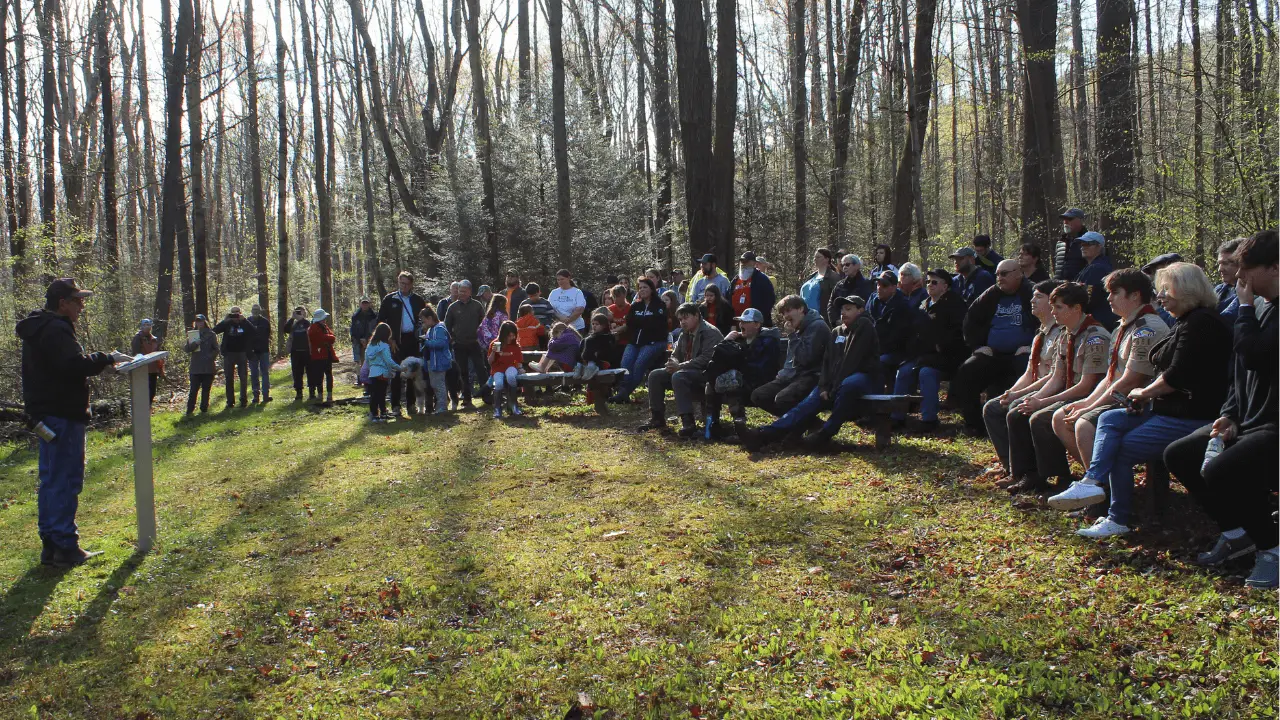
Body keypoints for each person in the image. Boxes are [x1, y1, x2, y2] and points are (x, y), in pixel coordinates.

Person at [1049, 263, 1232, 536]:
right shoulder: (1185, 321)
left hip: (1192, 414)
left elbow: (1175, 376)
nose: (1160, 296)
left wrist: (1143, 393)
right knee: (1110, 418)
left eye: (1166, 290)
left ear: (1185, 290)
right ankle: (1093, 483)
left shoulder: (1201, 322)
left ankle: (1117, 516)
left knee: (1121, 448)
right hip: (1168, 408)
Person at [1165, 230, 1278, 588]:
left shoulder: (1256, 310)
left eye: (1247, 270)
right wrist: (1228, 413)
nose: (1240, 279)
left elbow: (1255, 354)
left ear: (1274, 267)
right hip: (1247, 418)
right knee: (1180, 454)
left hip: (1274, 424)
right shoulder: (1260, 306)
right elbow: (1238, 371)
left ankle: (1272, 549)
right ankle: (1238, 532)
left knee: (1221, 471)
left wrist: (1244, 309)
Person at [17, 279, 125, 566]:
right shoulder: (55, 329)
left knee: (52, 480)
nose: (81, 306)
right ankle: (65, 545)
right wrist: (106, 358)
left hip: (47, 414)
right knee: (65, 480)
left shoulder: (39, 327)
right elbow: (73, 365)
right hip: (62, 415)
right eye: (77, 301)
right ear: (62, 302)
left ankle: (51, 546)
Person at [1049, 268, 1168, 471]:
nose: (1109, 298)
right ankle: (1098, 479)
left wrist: (1089, 408)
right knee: (1061, 416)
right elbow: (1111, 376)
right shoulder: (1123, 327)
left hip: (1141, 403)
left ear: (1135, 295)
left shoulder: (1147, 329)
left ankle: (1100, 484)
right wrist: (1087, 402)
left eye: (1115, 293)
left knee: (1084, 424)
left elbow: (1131, 380)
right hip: (1122, 396)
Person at [1001, 282, 1112, 493]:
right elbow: (1057, 377)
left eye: (1059, 307)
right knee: (1019, 412)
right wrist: (1035, 399)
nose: (1053, 312)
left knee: (1040, 418)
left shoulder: (1095, 336)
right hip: (1070, 393)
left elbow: (1086, 385)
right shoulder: (1065, 335)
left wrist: (1043, 402)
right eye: (1052, 307)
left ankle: (1060, 476)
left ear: (1076, 308)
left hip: (1091, 397)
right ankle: (1030, 474)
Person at [742, 295, 880, 450]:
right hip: (831, 381)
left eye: (848, 309)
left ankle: (824, 433)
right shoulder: (837, 332)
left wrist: (831, 387)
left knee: (847, 385)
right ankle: (766, 433)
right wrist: (824, 386)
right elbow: (828, 363)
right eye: (842, 309)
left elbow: (851, 360)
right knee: (806, 404)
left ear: (860, 310)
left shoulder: (864, 325)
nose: (843, 313)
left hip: (862, 377)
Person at [982, 280, 1065, 483]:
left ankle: (1030, 472)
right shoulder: (1040, 334)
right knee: (992, 407)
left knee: (1017, 408)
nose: (1032, 300)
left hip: (1053, 390)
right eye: (1033, 295)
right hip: (1036, 388)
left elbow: (1053, 376)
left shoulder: (1061, 333)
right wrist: (1011, 391)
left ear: (1052, 301)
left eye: (1039, 296)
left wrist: (1019, 396)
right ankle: (1011, 466)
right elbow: (1030, 372)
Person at [949, 259, 1038, 434]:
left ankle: (1017, 426)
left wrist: (1033, 345)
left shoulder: (1032, 292)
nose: (999, 278)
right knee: (967, 371)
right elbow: (970, 321)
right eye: (997, 274)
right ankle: (975, 425)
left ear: (1018, 273)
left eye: (1004, 274)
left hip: (1024, 353)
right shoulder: (990, 295)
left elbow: (1046, 321)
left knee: (1023, 370)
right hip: (993, 353)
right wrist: (977, 346)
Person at [894, 269, 967, 431]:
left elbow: (959, 335)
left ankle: (929, 419)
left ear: (945, 286)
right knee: (904, 371)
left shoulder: (955, 305)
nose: (930, 285)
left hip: (948, 357)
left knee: (926, 373)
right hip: (923, 355)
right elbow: (914, 333)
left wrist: (937, 345)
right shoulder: (924, 304)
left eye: (934, 282)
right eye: (928, 282)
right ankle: (897, 416)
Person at [638, 302, 724, 437]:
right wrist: (673, 363)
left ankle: (688, 422)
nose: (682, 322)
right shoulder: (685, 332)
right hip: (686, 371)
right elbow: (675, 354)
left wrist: (680, 367)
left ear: (696, 316)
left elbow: (706, 359)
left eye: (686, 318)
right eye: (680, 319)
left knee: (679, 376)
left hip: (707, 374)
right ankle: (657, 418)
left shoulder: (710, 332)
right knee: (655, 375)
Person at [703, 308, 783, 438]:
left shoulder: (768, 341)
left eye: (746, 322)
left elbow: (760, 369)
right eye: (741, 322)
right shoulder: (740, 340)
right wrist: (726, 341)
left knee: (732, 383)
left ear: (757, 325)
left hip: (762, 382)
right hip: (746, 379)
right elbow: (716, 361)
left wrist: (738, 365)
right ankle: (712, 426)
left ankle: (740, 430)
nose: (741, 325)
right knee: (712, 384)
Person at [751, 295, 830, 417]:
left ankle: (797, 426)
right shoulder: (797, 327)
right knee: (759, 395)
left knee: (783, 399)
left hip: (814, 375)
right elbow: (791, 359)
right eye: (783, 313)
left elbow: (806, 359)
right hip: (796, 374)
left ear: (801, 309)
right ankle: (808, 424)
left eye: (788, 311)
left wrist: (792, 336)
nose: (786, 316)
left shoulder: (816, 326)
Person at [609, 278, 668, 403]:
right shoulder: (636, 305)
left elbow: (657, 325)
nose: (642, 290)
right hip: (635, 341)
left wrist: (641, 322)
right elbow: (630, 323)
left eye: (645, 287)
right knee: (625, 364)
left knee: (639, 364)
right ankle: (623, 392)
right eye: (640, 288)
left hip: (654, 342)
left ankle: (623, 393)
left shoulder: (659, 305)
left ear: (651, 289)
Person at [377, 271, 428, 416]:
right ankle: (395, 406)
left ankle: (411, 404)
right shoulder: (390, 299)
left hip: (413, 340)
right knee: (396, 373)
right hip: (396, 342)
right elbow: (381, 322)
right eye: (401, 283)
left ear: (411, 284)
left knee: (412, 372)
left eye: (406, 284)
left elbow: (426, 318)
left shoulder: (418, 300)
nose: (404, 286)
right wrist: (389, 339)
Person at [445, 279, 488, 408]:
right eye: (460, 291)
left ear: (470, 292)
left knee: (481, 369)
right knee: (462, 372)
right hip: (459, 345)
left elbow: (484, 323)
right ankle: (467, 399)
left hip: (475, 344)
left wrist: (482, 338)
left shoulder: (477, 305)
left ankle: (486, 395)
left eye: (464, 291)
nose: (461, 293)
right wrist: (452, 339)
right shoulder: (453, 307)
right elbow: (447, 326)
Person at [868, 270, 916, 387]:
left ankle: (879, 400)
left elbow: (898, 338)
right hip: (875, 349)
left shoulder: (902, 306)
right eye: (878, 284)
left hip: (896, 352)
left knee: (877, 364)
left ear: (894, 288)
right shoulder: (873, 302)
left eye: (884, 285)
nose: (879, 288)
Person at [213, 306, 255, 408]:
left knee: (243, 377)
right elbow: (214, 331)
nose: (235, 315)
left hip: (242, 353)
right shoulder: (227, 324)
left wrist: (244, 320)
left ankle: (243, 399)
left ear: (240, 313)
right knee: (229, 378)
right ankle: (230, 401)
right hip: (229, 354)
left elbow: (253, 331)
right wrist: (225, 321)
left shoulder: (244, 323)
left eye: (237, 313)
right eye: (233, 313)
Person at [1074, 231, 1118, 329]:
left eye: (1088, 244)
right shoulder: (1092, 267)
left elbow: (1088, 297)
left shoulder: (1097, 268)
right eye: (1082, 244)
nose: (1083, 247)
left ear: (1099, 246)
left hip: (1098, 323)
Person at [420, 307, 453, 414]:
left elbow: (442, 343)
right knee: (435, 384)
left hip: (439, 361)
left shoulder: (439, 329)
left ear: (430, 318)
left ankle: (442, 407)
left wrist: (427, 342)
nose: (423, 324)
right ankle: (441, 405)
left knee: (439, 384)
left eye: (424, 321)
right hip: (433, 361)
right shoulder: (431, 329)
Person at [488, 321, 524, 418]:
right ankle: (497, 408)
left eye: (513, 336)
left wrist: (520, 368)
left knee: (511, 377)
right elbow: (490, 362)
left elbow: (519, 360)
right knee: (499, 383)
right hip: (498, 368)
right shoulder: (495, 344)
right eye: (509, 336)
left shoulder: (515, 345)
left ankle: (514, 405)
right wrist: (493, 352)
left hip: (511, 366)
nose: (511, 338)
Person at [364, 322, 399, 422]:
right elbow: (388, 361)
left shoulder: (370, 345)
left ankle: (374, 413)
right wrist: (398, 368)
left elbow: (367, 359)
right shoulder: (384, 346)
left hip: (373, 372)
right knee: (382, 393)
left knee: (374, 394)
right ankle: (383, 412)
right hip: (382, 373)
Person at [184, 314, 218, 416]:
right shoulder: (192, 334)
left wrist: (209, 357)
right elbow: (187, 349)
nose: (199, 323)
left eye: (201, 321)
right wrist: (195, 343)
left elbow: (216, 349)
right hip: (196, 367)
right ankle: (190, 410)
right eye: (197, 321)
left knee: (206, 390)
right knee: (193, 390)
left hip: (208, 367)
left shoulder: (211, 334)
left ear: (204, 322)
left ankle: (204, 410)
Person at [730, 251, 777, 325]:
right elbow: (728, 298)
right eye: (742, 261)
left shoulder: (762, 279)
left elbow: (770, 300)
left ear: (754, 264)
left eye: (747, 261)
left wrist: (757, 320)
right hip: (737, 323)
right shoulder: (735, 280)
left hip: (755, 324)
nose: (744, 264)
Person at [829, 254, 876, 324]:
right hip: (841, 326)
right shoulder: (839, 285)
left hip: (861, 326)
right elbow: (831, 304)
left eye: (847, 264)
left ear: (857, 266)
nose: (844, 267)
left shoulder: (868, 285)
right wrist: (835, 321)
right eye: (842, 265)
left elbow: (870, 307)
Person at [800, 248, 841, 321]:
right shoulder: (811, 277)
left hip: (822, 319)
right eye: (814, 257)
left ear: (827, 259)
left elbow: (837, 300)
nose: (815, 259)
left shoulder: (834, 278)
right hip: (805, 319)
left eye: (818, 257)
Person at [306, 309, 338, 403]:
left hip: (327, 355)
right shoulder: (313, 328)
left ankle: (329, 394)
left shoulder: (324, 326)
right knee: (319, 376)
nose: (325, 320)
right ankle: (320, 394)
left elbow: (332, 337)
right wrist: (328, 338)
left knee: (329, 375)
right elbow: (321, 339)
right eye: (324, 318)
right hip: (318, 356)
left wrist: (329, 338)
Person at [1212, 239, 1245, 323]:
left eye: (1226, 263)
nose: (1220, 269)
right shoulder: (1219, 289)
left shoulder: (1251, 291)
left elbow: (1225, 319)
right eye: (1219, 264)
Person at [130, 318, 163, 403]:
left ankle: (148, 412)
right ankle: (142, 413)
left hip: (153, 370)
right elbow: (136, 354)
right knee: (144, 393)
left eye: (148, 325)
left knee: (152, 392)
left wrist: (161, 369)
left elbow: (158, 355)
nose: (147, 327)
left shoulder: (154, 339)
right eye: (144, 325)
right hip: (142, 369)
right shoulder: (137, 338)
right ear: (141, 327)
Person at [575, 312, 615, 381]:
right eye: (593, 324)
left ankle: (591, 366)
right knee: (584, 340)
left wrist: (596, 354)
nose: (594, 326)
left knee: (589, 341)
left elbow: (608, 351)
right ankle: (580, 366)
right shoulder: (591, 337)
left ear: (604, 325)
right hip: (587, 360)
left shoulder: (608, 337)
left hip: (601, 361)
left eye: (597, 324)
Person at [283, 306, 311, 400]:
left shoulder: (307, 323)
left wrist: (301, 319)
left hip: (307, 351)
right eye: (297, 312)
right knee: (296, 373)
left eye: (301, 312)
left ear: (304, 313)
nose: (299, 313)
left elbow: (310, 330)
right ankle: (299, 392)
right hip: (295, 351)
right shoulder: (293, 324)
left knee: (310, 371)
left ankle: (312, 391)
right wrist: (292, 318)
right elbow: (285, 330)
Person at [247, 304, 273, 401]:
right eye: (254, 309)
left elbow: (268, 334)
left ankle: (266, 394)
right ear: (251, 310)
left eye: (257, 309)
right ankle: (255, 395)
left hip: (264, 351)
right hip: (252, 352)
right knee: (254, 373)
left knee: (265, 372)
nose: (255, 311)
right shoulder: (247, 321)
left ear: (260, 310)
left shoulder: (265, 322)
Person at [1055, 208, 1089, 280]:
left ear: (1081, 221)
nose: (1065, 222)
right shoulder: (1061, 242)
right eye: (1064, 219)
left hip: (1079, 287)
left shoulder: (1089, 241)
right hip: (1060, 286)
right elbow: (1058, 267)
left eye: (1069, 219)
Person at [349, 299, 376, 367]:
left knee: (371, 361)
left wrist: (367, 339)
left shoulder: (374, 316)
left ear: (369, 304)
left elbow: (374, 329)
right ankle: (360, 376)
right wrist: (360, 339)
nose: (365, 305)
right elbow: (353, 330)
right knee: (360, 363)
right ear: (360, 304)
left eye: (366, 303)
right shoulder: (355, 316)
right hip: (359, 342)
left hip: (371, 342)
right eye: (363, 303)